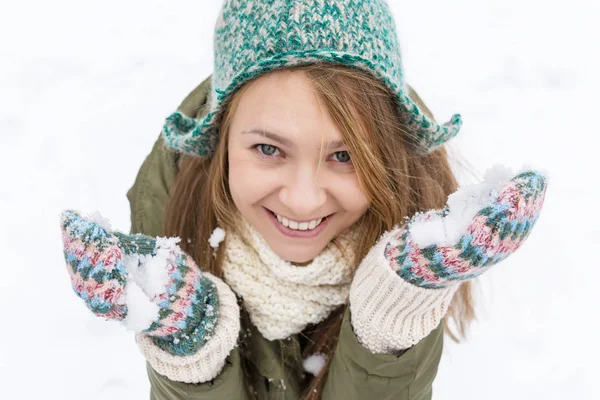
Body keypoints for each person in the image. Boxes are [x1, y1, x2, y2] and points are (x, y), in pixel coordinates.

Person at [60, 1, 547, 399]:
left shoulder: (410, 234)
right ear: (221, 144)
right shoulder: (172, 223)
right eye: (269, 149)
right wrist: (192, 347)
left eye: (344, 155)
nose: (302, 199)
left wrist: (394, 313)